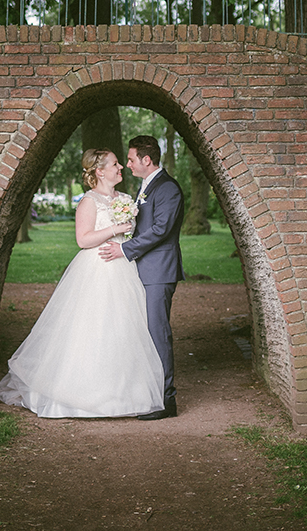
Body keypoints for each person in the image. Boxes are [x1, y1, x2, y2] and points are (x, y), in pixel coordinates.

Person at [0, 149, 165, 418]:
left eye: (121, 163)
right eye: (115, 164)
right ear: (99, 171)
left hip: (123, 266)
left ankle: (123, 394)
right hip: (97, 268)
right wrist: (115, 229)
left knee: (124, 327)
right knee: (93, 327)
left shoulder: (125, 199)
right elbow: (83, 240)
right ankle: (82, 392)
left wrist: (125, 234)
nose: (121, 167)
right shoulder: (89, 201)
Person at [99, 135, 184, 420]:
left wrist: (124, 249)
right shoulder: (146, 186)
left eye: (132, 159)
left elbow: (160, 230)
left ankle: (165, 401)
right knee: (144, 333)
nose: (128, 164)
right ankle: (147, 392)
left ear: (147, 160)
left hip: (159, 271)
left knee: (157, 334)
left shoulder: (168, 189)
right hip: (143, 269)